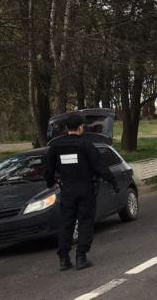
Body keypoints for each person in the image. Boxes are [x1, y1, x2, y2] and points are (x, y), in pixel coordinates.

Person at [45, 113, 119, 271]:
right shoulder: (86, 145)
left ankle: (64, 259)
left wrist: (50, 182)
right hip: (85, 189)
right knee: (85, 222)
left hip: (67, 191)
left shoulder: (56, 147)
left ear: (66, 128)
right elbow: (100, 167)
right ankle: (81, 257)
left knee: (66, 223)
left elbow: (49, 169)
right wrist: (113, 182)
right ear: (80, 127)